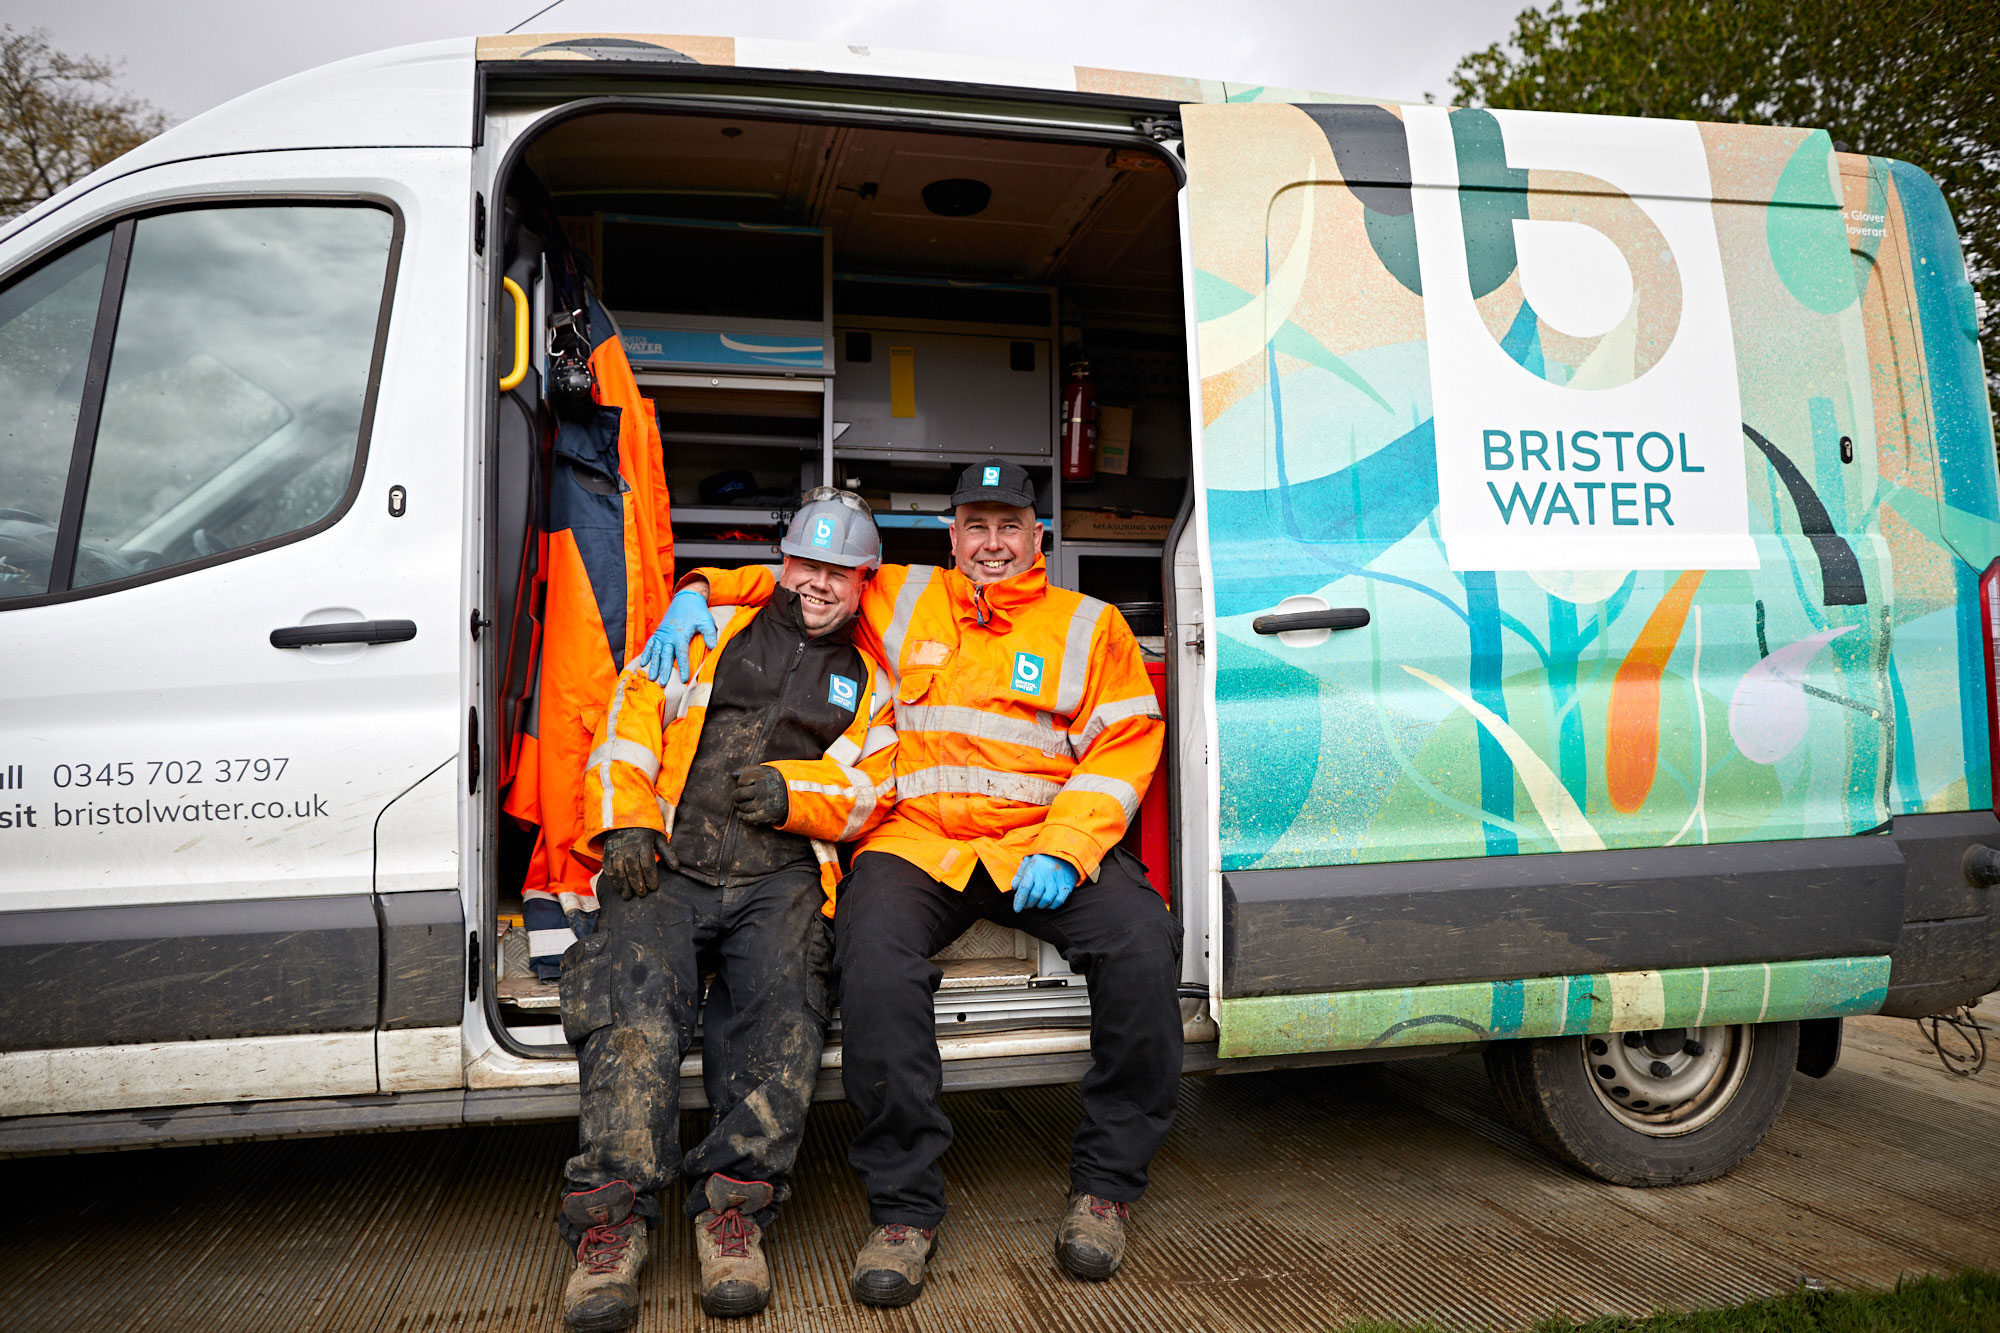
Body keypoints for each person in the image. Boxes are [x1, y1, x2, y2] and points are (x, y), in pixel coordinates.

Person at [647, 459, 1176, 1308]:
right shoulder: (904, 593)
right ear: (951, 534)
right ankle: (903, 1209)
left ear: (1037, 534)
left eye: (1010, 526)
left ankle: (1106, 1187)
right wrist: (697, 588)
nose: (993, 544)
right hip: (920, 839)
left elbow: (1126, 744)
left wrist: (1068, 844)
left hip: (1041, 841)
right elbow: (805, 576)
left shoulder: (1091, 624)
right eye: (977, 525)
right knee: (872, 964)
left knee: (1144, 945)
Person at [555, 489, 897, 1330]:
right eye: (806, 563)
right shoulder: (710, 628)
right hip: (665, 860)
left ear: (866, 580)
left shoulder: (874, 677)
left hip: (780, 873)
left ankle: (733, 1214)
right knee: (632, 1011)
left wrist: (795, 792)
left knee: (781, 1013)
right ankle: (611, 1226)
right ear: (784, 561)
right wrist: (627, 819)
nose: (817, 583)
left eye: (839, 572)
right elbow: (631, 716)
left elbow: (873, 786)